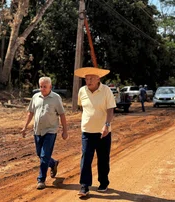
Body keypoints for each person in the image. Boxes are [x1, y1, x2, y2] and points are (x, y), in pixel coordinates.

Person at [74, 67, 116, 197]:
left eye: (91, 78)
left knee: (103, 159)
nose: (88, 81)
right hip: (87, 131)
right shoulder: (82, 91)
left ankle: (103, 182)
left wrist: (107, 125)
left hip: (103, 132)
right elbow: (83, 107)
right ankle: (84, 186)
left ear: (98, 78)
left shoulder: (106, 90)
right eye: (86, 79)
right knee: (86, 158)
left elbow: (110, 109)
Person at [21, 76, 69, 190]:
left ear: (50, 87)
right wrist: (24, 127)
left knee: (44, 155)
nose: (42, 89)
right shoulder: (35, 97)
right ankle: (53, 164)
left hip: (50, 131)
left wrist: (65, 131)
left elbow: (62, 114)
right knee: (40, 154)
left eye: (45, 87)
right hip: (37, 130)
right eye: (41, 86)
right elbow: (30, 113)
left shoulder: (56, 98)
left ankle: (41, 180)